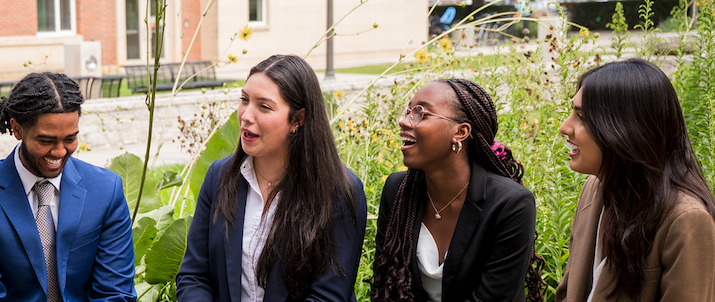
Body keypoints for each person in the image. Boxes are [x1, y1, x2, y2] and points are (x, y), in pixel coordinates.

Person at [175, 54, 367, 301]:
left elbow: (327, 297)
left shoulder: (340, 192)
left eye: (264, 106)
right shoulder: (219, 176)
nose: (246, 115)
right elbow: (194, 276)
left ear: (298, 120)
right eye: (244, 100)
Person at [0, 72, 136, 301]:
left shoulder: (106, 191)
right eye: (46, 141)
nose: (59, 152)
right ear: (17, 129)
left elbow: (116, 293)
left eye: (70, 139)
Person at [371, 79, 545, 302]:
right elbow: (384, 286)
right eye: (407, 111)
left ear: (460, 132)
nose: (403, 121)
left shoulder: (510, 204)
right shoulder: (397, 190)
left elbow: (494, 297)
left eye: (420, 113)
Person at [555, 59, 715, 301]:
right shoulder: (594, 188)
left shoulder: (687, 220)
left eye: (582, 117)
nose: (564, 127)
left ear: (625, 129)